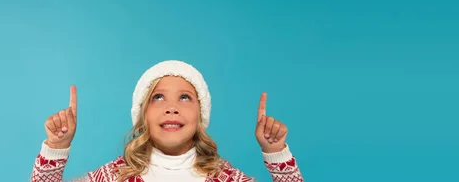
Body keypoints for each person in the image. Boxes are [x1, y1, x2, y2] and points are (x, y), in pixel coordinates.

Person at [30, 60, 304, 182]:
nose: (172, 108)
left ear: (200, 115)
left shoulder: (226, 178)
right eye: (158, 98)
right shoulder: (113, 177)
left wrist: (275, 154)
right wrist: (57, 147)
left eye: (185, 98)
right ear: (141, 116)